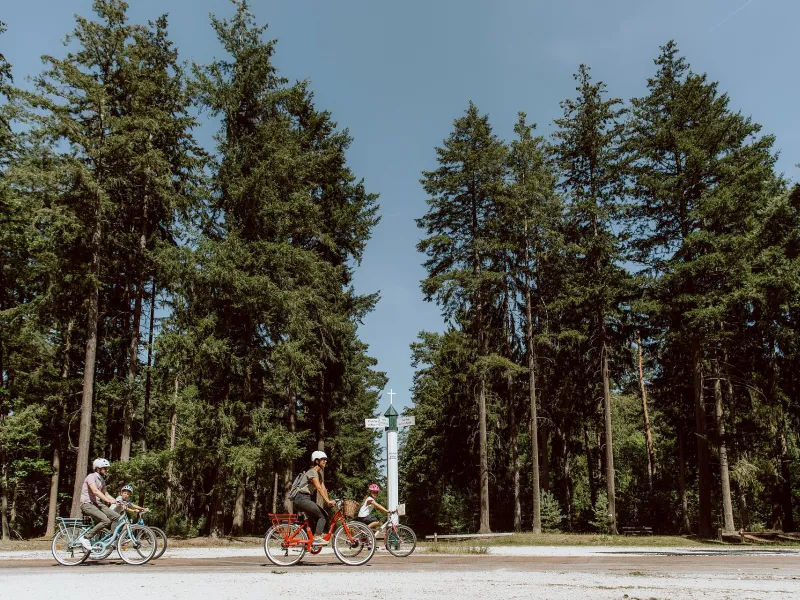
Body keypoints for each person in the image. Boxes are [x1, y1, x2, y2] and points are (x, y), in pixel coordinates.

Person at [292, 450, 335, 546]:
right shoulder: (312, 472)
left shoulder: (319, 474)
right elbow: (319, 488)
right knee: (322, 516)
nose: (325, 461)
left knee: (323, 515)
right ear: (316, 461)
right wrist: (327, 500)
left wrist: (328, 501)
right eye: (323, 459)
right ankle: (317, 538)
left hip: (306, 498)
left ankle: (309, 539)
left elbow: (323, 488)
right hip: (301, 498)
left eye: (326, 460)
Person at [78, 458, 120, 550]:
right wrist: (108, 500)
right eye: (105, 468)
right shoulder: (91, 476)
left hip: (97, 503)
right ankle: (86, 538)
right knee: (106, 521)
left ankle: (112, 540)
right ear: (97, 469)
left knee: (116, 517)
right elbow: (95, 491)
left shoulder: (102, 480)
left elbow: (106, 494)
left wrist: (117, 501)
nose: (107, 470)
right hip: (87, 504)